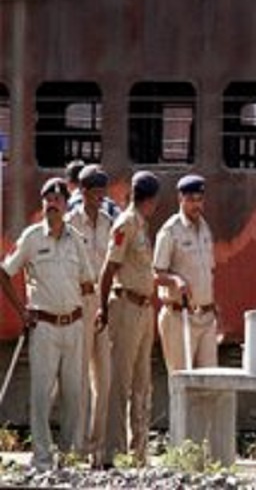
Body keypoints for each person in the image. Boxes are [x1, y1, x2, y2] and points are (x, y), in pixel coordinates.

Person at [0, 178, 95, 469]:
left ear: (66, 205)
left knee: (73, 394)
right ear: (43, 204)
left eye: (58, 200)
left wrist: (88, 313)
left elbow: (88, 281)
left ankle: (67, 456)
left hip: (74, 325)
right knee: (41, 394)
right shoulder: (31, 238)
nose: (52, 204)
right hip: (44, 326)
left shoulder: (76, 239)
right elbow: (5, 273)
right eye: (48, 199)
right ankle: (42, 456)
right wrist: (22, 311)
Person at [97, 170, 160, 468]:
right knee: (120, 383)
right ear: (151, 200)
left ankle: (138, 453)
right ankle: (112, 452)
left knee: (141, 382)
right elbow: (109, 270)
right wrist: (103, 309)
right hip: (126, 306)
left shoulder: (141, 224)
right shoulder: (126, 224)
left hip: (143, 308)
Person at [64, 164, 114, 465]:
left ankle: (98, 449)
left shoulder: (108, 222)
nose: (99, 197)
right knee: (79, 378)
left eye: (101, 192)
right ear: (81, 191)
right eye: (94, 192)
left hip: (102, 304)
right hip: (79, 304)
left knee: (103, 380)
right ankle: (77, 447)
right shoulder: (70, 224)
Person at [154, 174, 218, 372]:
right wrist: (175, 280)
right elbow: (156, 274)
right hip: (180, 318)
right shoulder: (170, 231)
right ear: (180, 199)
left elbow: (210, 271)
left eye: (199, 200)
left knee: (209, 382)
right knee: (182, 382)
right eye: (191, 200)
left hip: (206, 317)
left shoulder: (204, 227)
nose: (196, 205)